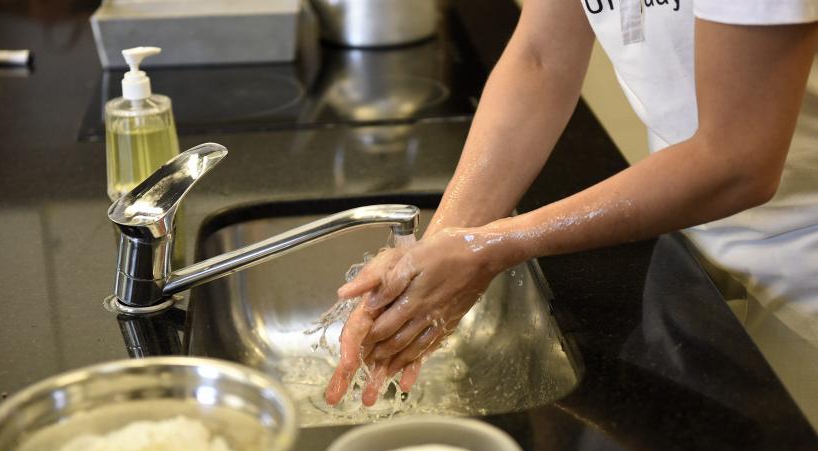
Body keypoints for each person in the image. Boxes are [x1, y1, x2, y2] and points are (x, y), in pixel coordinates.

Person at [324, 0, 818, 420]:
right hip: (691, 233)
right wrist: (438, 251)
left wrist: (492, 247)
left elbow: (738, 159)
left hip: (803, 267)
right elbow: (541, 58)